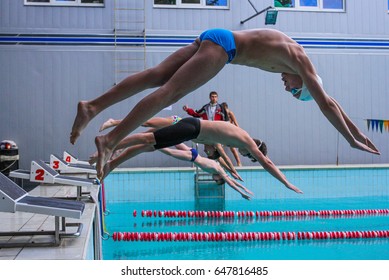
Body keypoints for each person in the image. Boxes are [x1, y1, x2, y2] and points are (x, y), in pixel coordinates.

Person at [69, 28, 380, 177]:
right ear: (306, 84)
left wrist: (357, 134)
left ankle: (92, 107)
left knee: (158, 76)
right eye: (294, 91)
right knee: (170, 93)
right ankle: (111, 139)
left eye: (291, 91)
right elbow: (325, 103)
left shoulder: (295, 67)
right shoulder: (301, 61)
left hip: (216, 38)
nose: (287, 87)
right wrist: (349, 140)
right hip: (224, 48)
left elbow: (331, 101)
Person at [100, 117, 303, 194]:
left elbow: (224, 156)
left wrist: (234, 173)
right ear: (254, 150)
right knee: (148, 139)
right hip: (191, 128)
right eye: (251, 156)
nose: (250, 157)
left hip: (192, 129)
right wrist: (285, 182)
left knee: (149, 144)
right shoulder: (246, 141)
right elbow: (266, 162)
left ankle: (110, 162)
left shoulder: (238, 140)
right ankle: (110, 142)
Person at [101, 142, 254, 200]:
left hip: (193, 154)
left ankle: (156, 134)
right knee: (164, 149)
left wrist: (244, 188)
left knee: (173, 140)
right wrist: (242, 192)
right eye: (216, 181)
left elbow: (231, 180)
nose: (214, 180)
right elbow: (230, 183)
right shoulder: (220, 172)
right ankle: (144, 144)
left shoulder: (220, 170)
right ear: (219, 179)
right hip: (191, 157)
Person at [221, 102, 242, 166]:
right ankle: (222, 163)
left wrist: (239, 131)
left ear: (227, 108)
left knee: (232, 149)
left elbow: (236, 123)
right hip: (223, 133)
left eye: (225, 109)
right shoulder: (221, 114)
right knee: (220, 149)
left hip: (230, 132)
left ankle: (239, 163)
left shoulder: (230, 113)